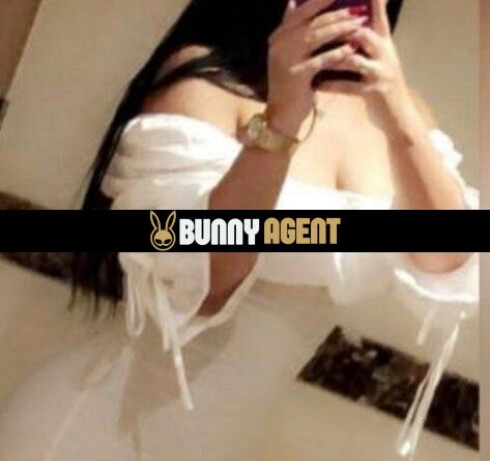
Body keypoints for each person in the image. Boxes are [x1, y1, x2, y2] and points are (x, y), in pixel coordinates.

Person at [0, 1, 479, 460]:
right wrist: (281, 122)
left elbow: (448, 262)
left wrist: (400, 122)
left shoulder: (393, 111)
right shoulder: (205, 81)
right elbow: (207, 279)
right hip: (91, 435)